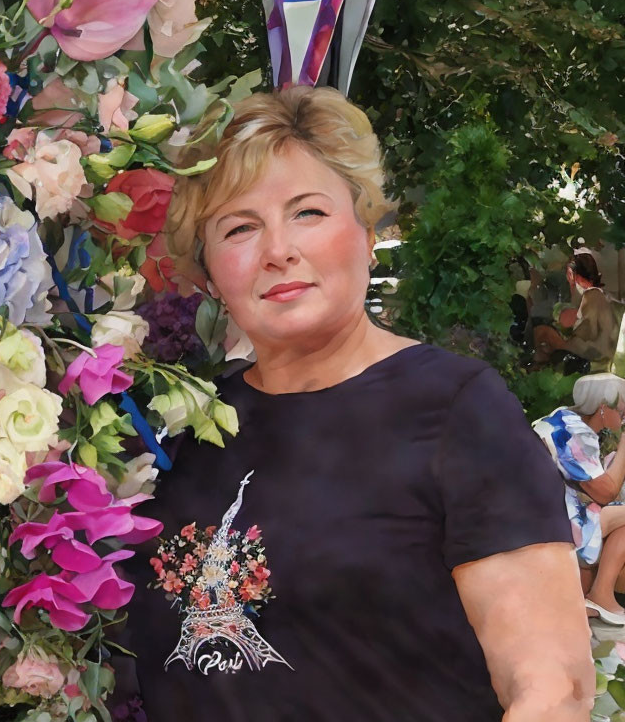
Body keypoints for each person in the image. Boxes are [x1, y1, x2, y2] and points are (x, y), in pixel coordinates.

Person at [109, 85, 594, 722]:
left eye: (307, 212)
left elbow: (551, 688)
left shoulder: (454, 410)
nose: (278, 249)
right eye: (239, 227)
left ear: (366, 233)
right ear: (209, 274)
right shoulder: (182, 428)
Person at [533, 374, 625, 625]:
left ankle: (599, 595)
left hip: (547, 508)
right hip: (552, 518)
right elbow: (606, 492)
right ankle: (600, 596)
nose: (623, 419)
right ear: (603, 409)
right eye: (622, 412)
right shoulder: (574, 434)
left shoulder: (563, 419)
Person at [534, 252, 621, 372]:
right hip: (598, 352)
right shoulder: (598, 295)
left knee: (546, 338)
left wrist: (564, 342)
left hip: (596, 354)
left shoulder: (592, 295)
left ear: (570, 274)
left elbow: (588, 331)